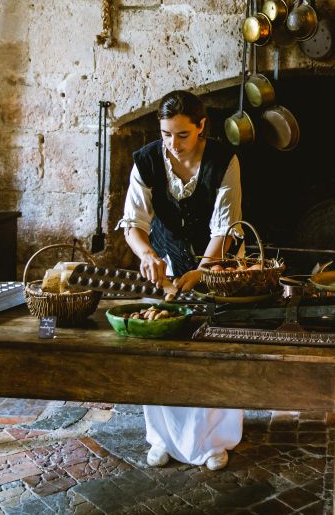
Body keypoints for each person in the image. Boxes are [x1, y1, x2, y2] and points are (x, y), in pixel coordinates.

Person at [117, 89, 243, 471]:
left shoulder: (224, 160)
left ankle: (215, 441)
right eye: (166, 134)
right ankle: (162, 438)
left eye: (183, 135)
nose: (173, 144)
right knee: (163, 350)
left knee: (212, 351)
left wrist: (202, 271)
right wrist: (148, 255)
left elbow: (224, 229)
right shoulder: (146, 161)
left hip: (217, 267)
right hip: (168, 265)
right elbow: (133, 224)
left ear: (202, 126)